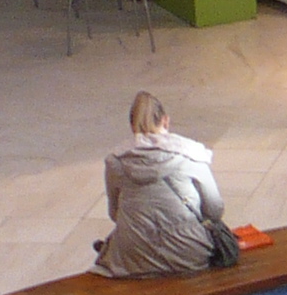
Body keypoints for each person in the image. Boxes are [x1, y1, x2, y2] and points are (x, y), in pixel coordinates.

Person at [94, 91, 238, 277]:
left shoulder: (115, 161)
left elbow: (115, 213)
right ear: (166, 121)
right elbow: (215, 210)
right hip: (189, 253)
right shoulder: (190, 154)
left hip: (132, 258)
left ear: (132, 126)